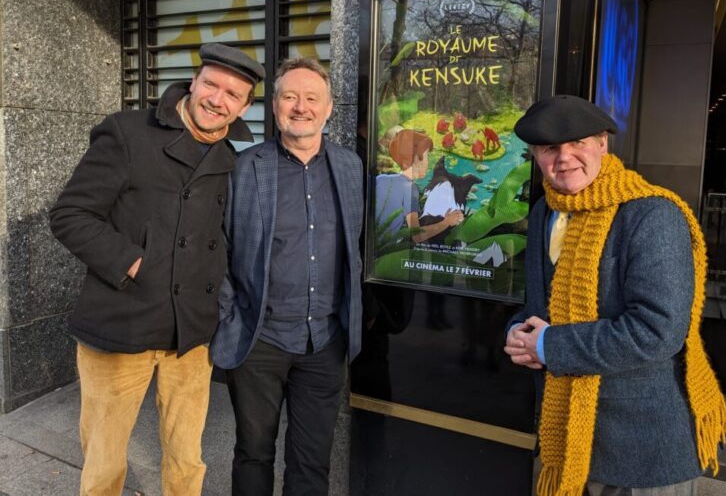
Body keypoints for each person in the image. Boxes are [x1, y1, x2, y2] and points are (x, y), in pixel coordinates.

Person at [49, 43, 263, 495]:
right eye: (211, 84)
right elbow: (70, 214)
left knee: (187, 459)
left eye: (232, 94)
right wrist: (132, 262)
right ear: (194, 82)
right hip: (122, 322)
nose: (216, 99)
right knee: (105, 463)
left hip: (192, 335)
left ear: (244, 106)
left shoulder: (235, 160)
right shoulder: (128, 133)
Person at [504, 95, 726, 496]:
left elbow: (657, 331)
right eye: (549, 148)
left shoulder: (651, 214)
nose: (565, 157)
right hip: (569, 438)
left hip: (643, 453)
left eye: (578, 143)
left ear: (603, 144)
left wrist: (549, 345)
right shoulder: (545, 211)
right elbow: (541, 306)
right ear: (536, 155)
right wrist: (520, 333)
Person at [209, 58, 364, 495]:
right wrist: (228, 316)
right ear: (274, 106)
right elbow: (218, 247)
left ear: (328, 108)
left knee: (312, 462)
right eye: (290, 97)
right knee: (253, 452)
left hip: (324, 343)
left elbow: (354, 248)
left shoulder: (350, 168)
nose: (301, 107)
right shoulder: (242, 168)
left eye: (312, 98)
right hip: (259, 339)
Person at [374, 129, 463, 243]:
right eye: (426, 157)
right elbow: (417, 236)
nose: (428, 162)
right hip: (387, 252)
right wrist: (447, 222)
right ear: (416, 158)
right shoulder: (409, 188)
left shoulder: (381, 179)